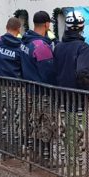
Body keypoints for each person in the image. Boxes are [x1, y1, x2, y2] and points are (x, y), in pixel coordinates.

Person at [54, 10, 89, 173]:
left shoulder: (58, 47)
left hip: (62, 96)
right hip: (78, 98)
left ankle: (69, 165)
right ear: (81, 28)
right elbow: (82, 73)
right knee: (76, 132)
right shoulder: (83, 47)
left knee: (67, 131)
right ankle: (74, 169)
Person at [20, 11, 57, 166]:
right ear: (47, 24)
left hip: (29, 89)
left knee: (33, 122)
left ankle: (34, 154)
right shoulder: (41, 45)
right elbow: (48, 72)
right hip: (43, 92)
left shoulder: (25, 42)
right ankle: (45, 158)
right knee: (46, 124)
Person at [0, 17, 24, 157]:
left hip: (0, 84)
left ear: (6, 26)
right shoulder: (20, 46)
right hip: (16, 85)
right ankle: (15, 150)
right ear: (18, 29)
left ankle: (4, 147)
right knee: (16, 117)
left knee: (4, 115)